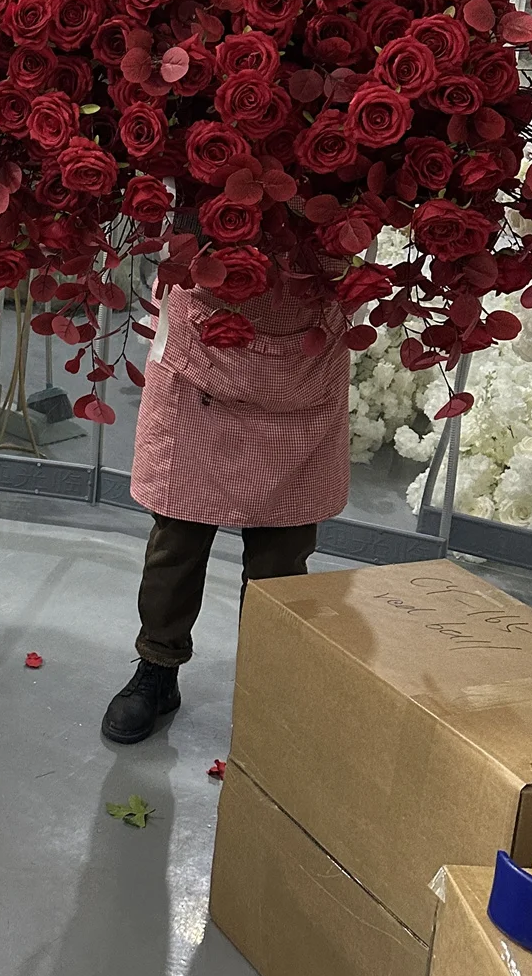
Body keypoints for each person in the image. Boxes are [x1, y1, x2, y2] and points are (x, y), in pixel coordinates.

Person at [101, 280, 350, 743]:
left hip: (307, 352)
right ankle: (158, 667)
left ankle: (265, 688)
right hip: (200, 347)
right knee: (176, 542)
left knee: (281, 557)